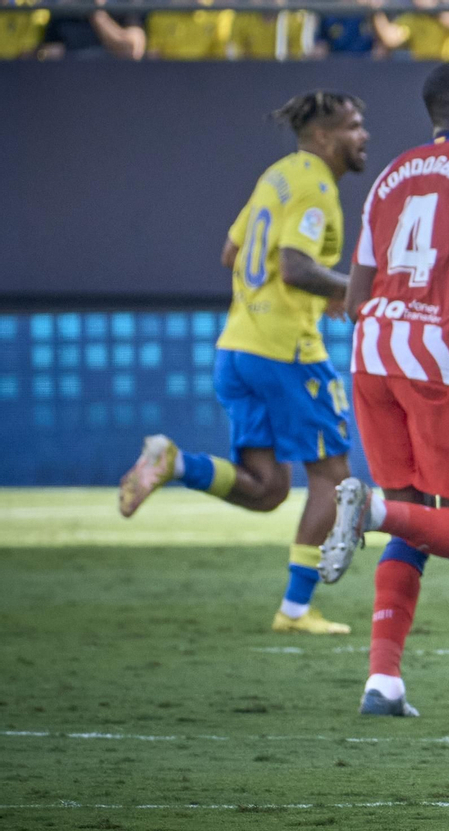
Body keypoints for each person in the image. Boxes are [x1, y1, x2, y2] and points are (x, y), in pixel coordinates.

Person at [118, 92, 369, 636]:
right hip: (287, 353)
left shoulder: (276, 176)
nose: (363, 135)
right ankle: (296, 611)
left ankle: (174, 463)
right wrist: (355, 291)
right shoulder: (315, 187)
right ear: (324, 137)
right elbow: (296, 267)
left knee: (267, 488)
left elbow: (233, 253)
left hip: (237, 347)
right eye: (353, 126)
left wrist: (306, 292)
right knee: (334, 479)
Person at [319, 63, 449, 718]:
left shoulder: (387, 178)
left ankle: (384, 683)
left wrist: (393, 320)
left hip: (372, 354)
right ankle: (370, 512)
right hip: (437, 359)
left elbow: (355, 296)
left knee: (418, 523)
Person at [37, 0, 145, 60]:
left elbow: (131, 51)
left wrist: (96, 13)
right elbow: (47, 52)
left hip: (115, 84)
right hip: (71, 85)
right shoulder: (63, 12)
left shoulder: (125, 8)